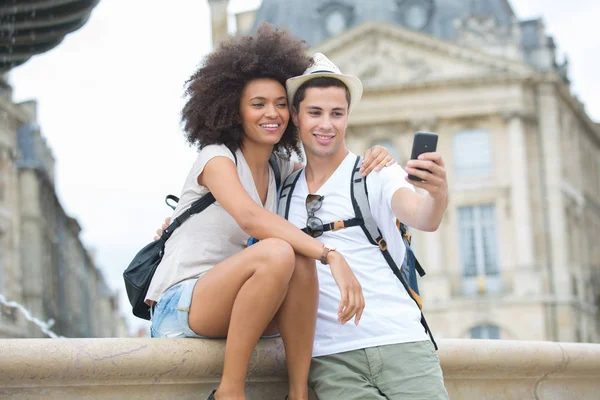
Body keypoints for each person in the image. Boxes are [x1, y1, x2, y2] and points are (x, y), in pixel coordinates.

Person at [146, 25, 395, 400]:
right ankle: (230, 391)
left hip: (245, 300)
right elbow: (251, 219)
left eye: (281, 104)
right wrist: (331, 255)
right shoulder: (217, 158)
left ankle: (298, 393)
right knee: (283, 250)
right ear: (235, 110)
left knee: (299, 259)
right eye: (258, 104)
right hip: (182, 304)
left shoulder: (283, 168)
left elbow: (331, 169)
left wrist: (376, 157)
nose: (272, 113)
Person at [280, 53, 450, 399]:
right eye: (315, 112)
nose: (326, 124)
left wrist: (438, 192)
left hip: (403, 344)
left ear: (347, 117)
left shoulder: (378, 171)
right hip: (332, 360)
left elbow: (422, 216)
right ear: (296, 116)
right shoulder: (282, 191)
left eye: (336, 114)